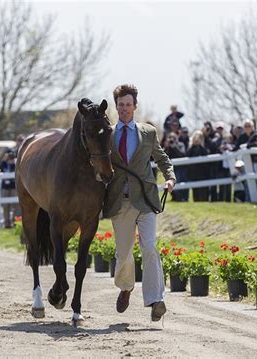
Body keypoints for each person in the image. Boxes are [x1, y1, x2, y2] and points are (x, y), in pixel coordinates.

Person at [103, 84, 176, 322]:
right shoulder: (108, 134)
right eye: (121, 105)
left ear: (135, 106)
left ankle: (156, 300)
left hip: (145, 199)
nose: (124, 109)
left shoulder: (148, 132)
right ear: (116, 107)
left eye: (128, 104)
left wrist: (170, 177)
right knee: (123, 254)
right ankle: (126, 287)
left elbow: (161, 157)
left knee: (149, 247)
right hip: (120, 201)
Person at [187, 130, 210, 201]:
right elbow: (187, 155)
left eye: (200, 137)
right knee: (195, 190)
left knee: (204, 190)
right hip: (194, 172)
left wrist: (201, 145)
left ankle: (205, 201)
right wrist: (193, 145)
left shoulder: (204, 146)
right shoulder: (191, 147)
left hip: (203, 172)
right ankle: (196, 201)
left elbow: (206, 154)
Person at [0, 151, 18, 228]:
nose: (11, 160)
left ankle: (15, 221)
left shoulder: (15, 164)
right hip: (5, 188)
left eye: (12, 158)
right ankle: (6, 223)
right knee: (5, 206)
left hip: (13, 187)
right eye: (9, 158)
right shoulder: (3, 164)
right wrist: (3, 160)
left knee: (16, 206)